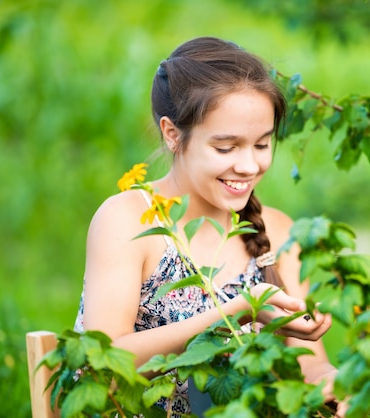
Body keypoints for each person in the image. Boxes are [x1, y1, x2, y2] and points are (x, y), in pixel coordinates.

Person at [74, 36, 345, 416]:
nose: (249, 166)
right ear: (172, 134)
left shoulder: (278, 232)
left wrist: (332, 379)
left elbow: (308, 363)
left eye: (262, 144)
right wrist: (235, 311)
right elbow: (103, 366)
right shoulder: (129, 222)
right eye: (226, 148)